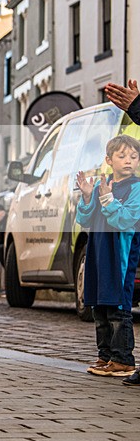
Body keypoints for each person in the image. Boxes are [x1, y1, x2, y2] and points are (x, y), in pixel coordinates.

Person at [75, 135, 140, 380]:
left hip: (120, 256)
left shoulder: (136, 188)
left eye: (133, 157)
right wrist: (88, 196)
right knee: (99, 305)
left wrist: (107, 199)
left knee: (118, 306)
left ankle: (123, 359)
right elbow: (85, 220)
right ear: (108, 160)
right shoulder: (105, 183)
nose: (128, 161)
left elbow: (124, 220)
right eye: (122, 156)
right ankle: (105, 355)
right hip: (98, 252)